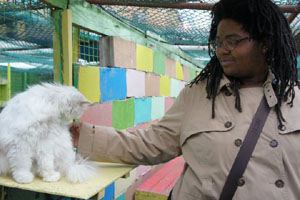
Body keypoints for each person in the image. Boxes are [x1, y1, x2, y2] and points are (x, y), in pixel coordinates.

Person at [70, 0, 300, 199]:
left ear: (264, 43)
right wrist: (85, 136)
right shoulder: (198, 95)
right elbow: (151, 144)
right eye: (218, 43)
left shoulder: (296, 101)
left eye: (232, 41)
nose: (221, 51)